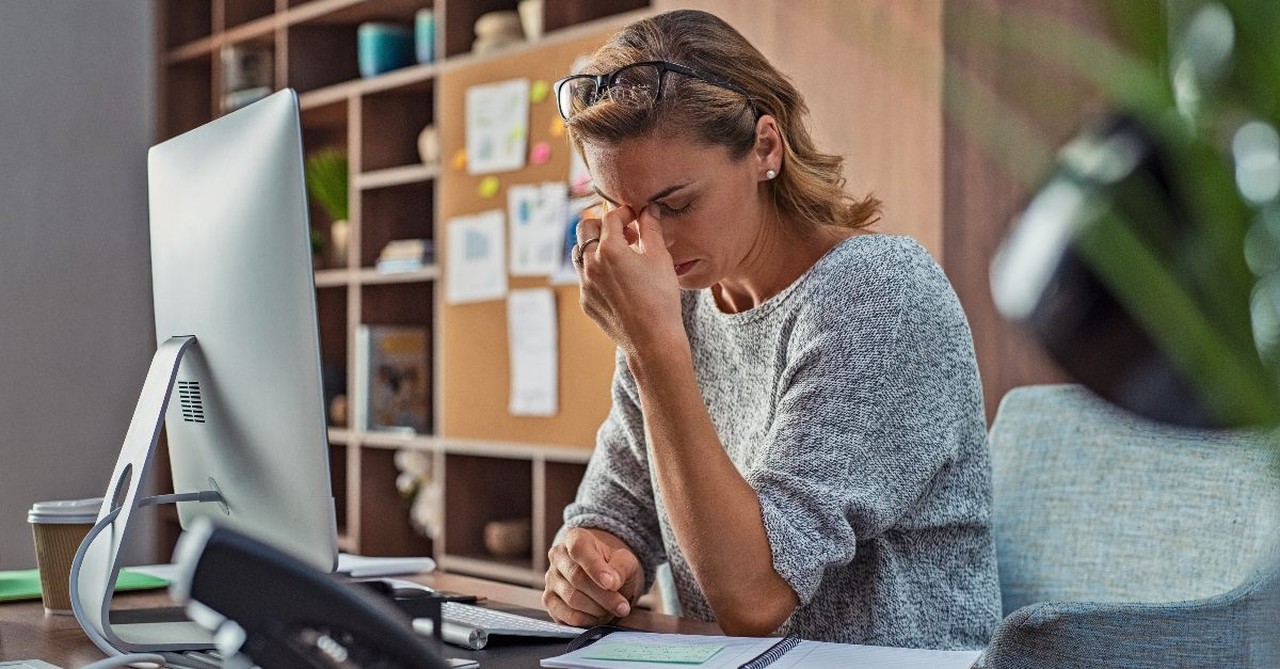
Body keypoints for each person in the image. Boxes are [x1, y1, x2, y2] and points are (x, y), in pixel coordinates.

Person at [543, 9, 1000, 650]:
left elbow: (755, 596)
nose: (650, 241)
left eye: (676, 204)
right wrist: (591, 564)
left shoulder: (878, 296)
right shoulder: (678, 306)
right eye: (624, 211)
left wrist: (651, 346)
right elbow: (618, 510)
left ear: (765, 147)